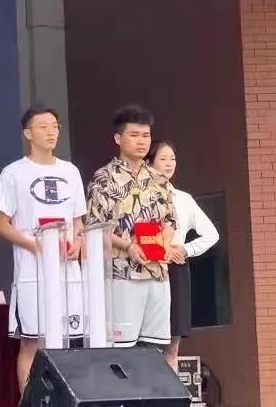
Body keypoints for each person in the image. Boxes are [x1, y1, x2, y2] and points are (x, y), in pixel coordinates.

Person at [0, 106, 86, 391]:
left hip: (67, 272)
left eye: (55, 126)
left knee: (67, 341)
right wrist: (34, 245)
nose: (51, 132)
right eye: (43, 127)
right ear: (27, 133)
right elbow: (2, 224)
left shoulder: (70, 171)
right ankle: (30, 399)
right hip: (32, 273)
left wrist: (78, 242)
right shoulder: (13, 173)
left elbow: (78, 220)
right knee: (32, 341)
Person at [86, 105, 176, 349]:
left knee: (155, 347)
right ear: (118, 138)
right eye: (134, 135)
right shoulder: (104, 178)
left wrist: (166, 243)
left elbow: (170, 220)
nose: (141, 141)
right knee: (124, 348)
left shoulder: (159, 179)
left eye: (145, 135)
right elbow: (95, 226)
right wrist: (128, 246)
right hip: (122, 274)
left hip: (157, 273)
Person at [147, 140, 219, 370]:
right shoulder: (142, 196)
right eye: (163, 159)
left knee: (172, 345)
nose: (169, 164)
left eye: (173, 159)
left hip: (176, 270)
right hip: (147, 267)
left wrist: (186, 249)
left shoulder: (183, 199)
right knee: (147, 343)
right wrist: (163, 252)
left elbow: (212, 234)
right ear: (149, 162)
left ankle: (171, 389)